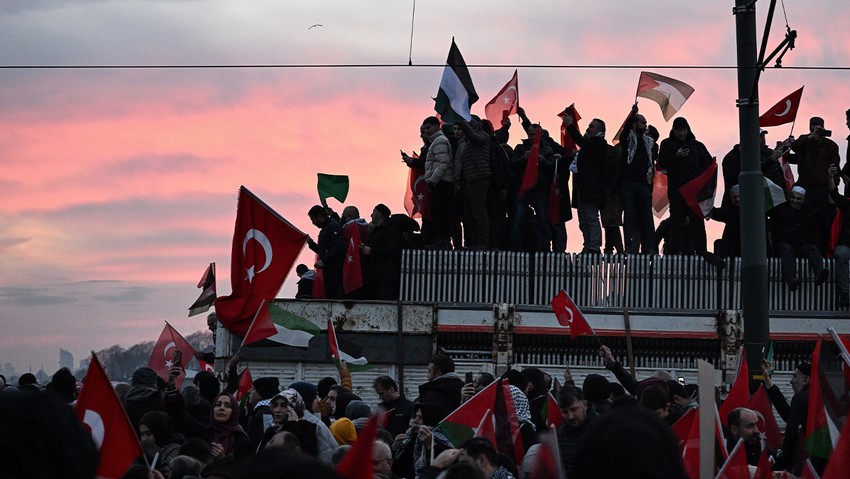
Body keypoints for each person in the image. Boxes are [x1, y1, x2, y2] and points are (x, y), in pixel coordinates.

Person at [658, 117, 725, 268]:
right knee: (677, 221)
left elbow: (708, 163)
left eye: (683, 130)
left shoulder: (697, 146)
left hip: (695, 193)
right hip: (677, 192)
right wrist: (676, 156)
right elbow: (662, 162)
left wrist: (698, 177)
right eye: (679, 131)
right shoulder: (667, 144)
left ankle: (702, 251)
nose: (681, 133)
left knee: (697, 222)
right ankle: (674, 251)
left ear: (688, 130)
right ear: (673, 131)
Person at [788, 117, 840, 250]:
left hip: (822, 188)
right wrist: (810, 137)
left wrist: (833, 191)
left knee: (824, 219)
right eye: (812, 129)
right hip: (806, 186)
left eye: (818, 129)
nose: (815, 132)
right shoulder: (805, 141)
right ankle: (806, 246)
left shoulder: (831, 146)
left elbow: (835, 169)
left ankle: (824, 250)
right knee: (805, 218)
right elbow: (793, 146)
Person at [767, 186, 829, 291]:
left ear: (803, 200)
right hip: (784, 243)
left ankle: (819, 273)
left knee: (812, 249)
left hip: (801, 245)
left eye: (798, 199)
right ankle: (791, 279)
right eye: (793, 198)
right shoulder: (780, 209)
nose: (794, 200)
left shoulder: (809, 212)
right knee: (786, 250)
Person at [563, 113, 609, 254]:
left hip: (591, 189)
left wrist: (570, 125)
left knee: (590, 218)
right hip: (583, 189)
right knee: (583, 221)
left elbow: (582, 142)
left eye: (592, 126)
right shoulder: (589, 145)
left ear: (599, 130)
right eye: (588, 125)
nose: (588, 128)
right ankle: (588, 246)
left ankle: (594, 247)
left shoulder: (598, 143)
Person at [510, 121, 555, 251]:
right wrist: (524, 158)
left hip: (540, 189)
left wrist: (543, 161)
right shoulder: (520, 148)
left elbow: (553, 168)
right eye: (530, 134)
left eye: (535, 135)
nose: (532, 137)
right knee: (517, 219)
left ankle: (545, 249)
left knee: (542, 219)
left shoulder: (547, 149)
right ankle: (515, 249)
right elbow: (512, 164)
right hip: (524, 188)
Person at [619, 104, 658, 254]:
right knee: (629, 215)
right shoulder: (628, 139)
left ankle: (649, 248)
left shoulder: (649, 142)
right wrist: (632, 114)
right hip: (628, 182)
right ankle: (629, 247)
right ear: (635, 124)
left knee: (647, 216)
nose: (645, 125)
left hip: (644, 183)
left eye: (645, 123)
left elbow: (656, 136)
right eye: (642, 122)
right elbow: (624, 132)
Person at [762, 360, 810, 473]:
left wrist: (781, 462)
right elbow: (788, 415)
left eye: (795, 376)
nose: (791, 381)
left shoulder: (801, 398)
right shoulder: (820, 398)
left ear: (806, 380)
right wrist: (767, 379)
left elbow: (792, 435)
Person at [453, 117, 492, 250]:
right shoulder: (467, 141)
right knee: (471, 214)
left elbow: (476, 137)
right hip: (471, 179)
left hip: (479, 178)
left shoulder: (482, 136)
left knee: (479, 213)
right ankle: (474, 242)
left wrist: (462, 121)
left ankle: (483, 242)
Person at [421, 116, 456, 250]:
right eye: (425, 128)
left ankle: (443, 241)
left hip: (442, 182)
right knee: (439, 212)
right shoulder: (436, 141)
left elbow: (443, 162)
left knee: (440, 212)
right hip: (441, 182)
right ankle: (441, 240)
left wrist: (432, 181)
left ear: (437, 126)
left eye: (429, 127)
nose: (426, 131)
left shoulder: (440, 141)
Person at [360, 204, 403, 300]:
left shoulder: (390, 229)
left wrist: (371, 251)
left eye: (373, 212)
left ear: (379, 214)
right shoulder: (378, 230)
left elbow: (392, 249)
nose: (371, 215)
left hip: (385, 278)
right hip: (376, 277)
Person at [306, 205, 346, 299]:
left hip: (335, 269)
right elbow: (324, 250)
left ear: (320, 216)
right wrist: (311, 244)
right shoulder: (326, 228)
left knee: (333, 295)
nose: (313, 223)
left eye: (313, 220)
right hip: (329, 269)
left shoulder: (333, 226)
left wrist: (324, 261)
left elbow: (339, 246)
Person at [556, 386, 596, 475]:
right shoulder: (557, 438)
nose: (570, 416)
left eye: (574, 409)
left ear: (585, 405)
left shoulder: (604, 431)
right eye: (565, 412)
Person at [828, 165, 850, 308]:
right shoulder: (848, 204)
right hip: (846, 243)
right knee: (841, 254)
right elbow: (834, 193)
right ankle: (844, 293)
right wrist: (830, 177)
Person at [245, 377, 280, 451]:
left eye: (253, 389)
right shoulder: (266, 411)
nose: (249, 391)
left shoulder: (264, 414)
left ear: (260, 394)